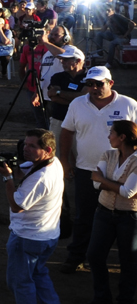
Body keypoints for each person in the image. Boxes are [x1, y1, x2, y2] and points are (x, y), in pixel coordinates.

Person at [59, 66, 137, 273]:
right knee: (83, 215)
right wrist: (65, 162)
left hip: (123, 171)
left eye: (99, 84)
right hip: (86, 169)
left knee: (123, 216)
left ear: (110, 83)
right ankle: (76, 256)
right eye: (90, 84)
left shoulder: (129, 104)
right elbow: (66, 132)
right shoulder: (77, 104)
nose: (94, 88)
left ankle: (124, 262)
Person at [0, 129, 66, 304]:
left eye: (31, 146)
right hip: (48, 235)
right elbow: (27, 170)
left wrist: (7, 178)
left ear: (47, 150)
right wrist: (13, 169)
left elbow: (17, 205)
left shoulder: (42, 177)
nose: (25, 149)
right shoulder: (54, 164)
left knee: (20, 281)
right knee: (39, 274)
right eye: (25, 144)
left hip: (27, 237)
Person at [80, 120, 137, 304]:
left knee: (128, 261)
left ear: (122, 137)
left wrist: (103, 181)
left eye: (111, 132)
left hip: (130, 217)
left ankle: (125, 302)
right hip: (104, 212)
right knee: (94, 255)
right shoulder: (108, 154)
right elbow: (98, 186)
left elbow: (128, 192)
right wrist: (117, 187)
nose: (108, 136)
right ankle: (103, 298)